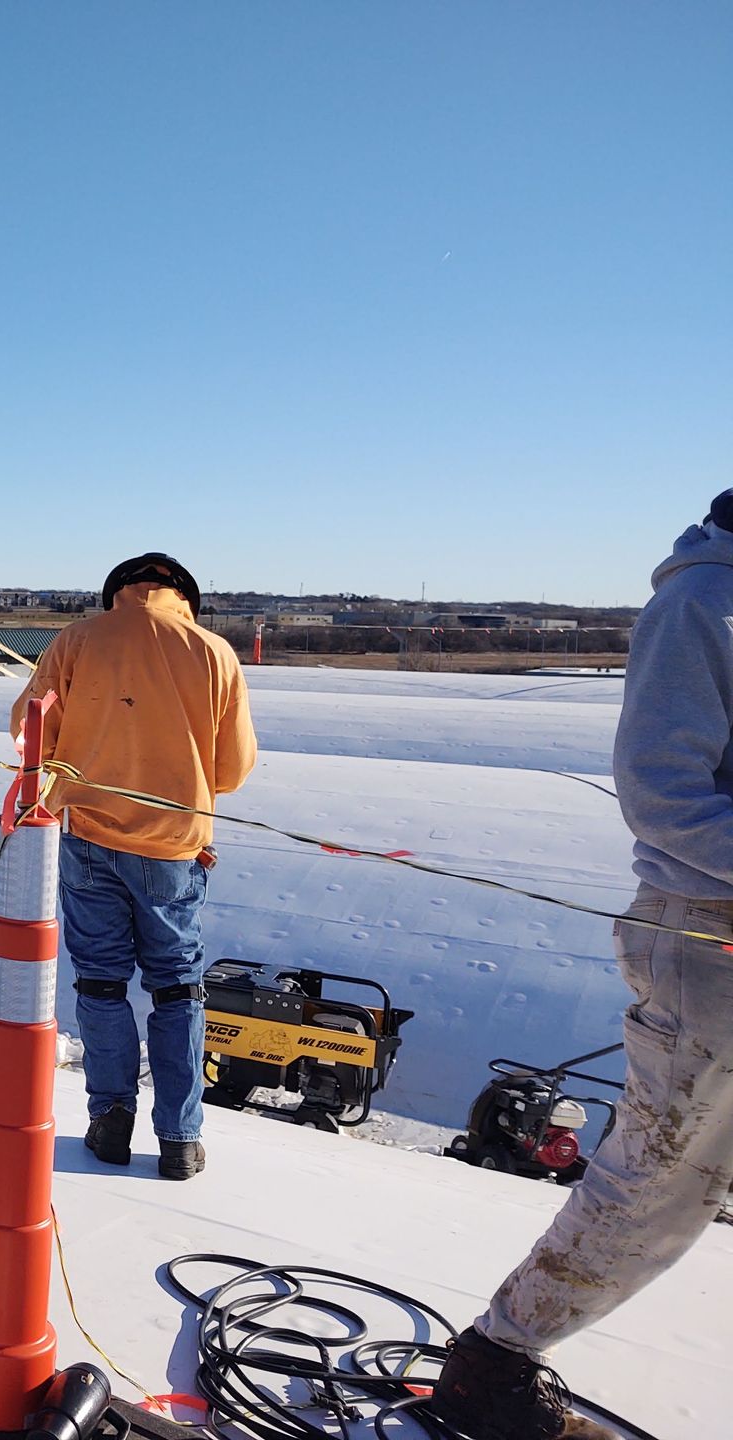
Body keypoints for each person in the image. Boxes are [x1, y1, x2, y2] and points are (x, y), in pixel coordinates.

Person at [426, 498, 733, 1440]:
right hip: (709, 931)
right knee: (669, 1172)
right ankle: (496, 1362)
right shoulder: (704, 604)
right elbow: (662, 790)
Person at [10, 552, 255, 1181]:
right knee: (176, 989)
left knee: (99, 983)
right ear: (182, 597)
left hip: (89, 839)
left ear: (118, 593)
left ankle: (110, 1115)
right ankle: (180, 1139)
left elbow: (27, 729)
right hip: (173, 848)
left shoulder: (76, 641)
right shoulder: (213, 653)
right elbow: (231, 768)